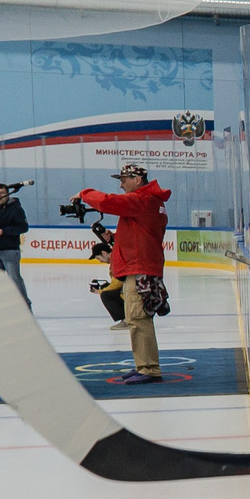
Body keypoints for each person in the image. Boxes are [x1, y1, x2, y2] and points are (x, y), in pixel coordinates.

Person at [75, 164, 172, 385]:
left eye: (124, 179)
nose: (120, 184)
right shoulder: (149, 203)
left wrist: (84, 193)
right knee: (136, 318)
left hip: (139, 269)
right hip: (139, 267)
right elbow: (140, 235)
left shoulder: (142, 200)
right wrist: (116, 239)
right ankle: (144, 365)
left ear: (137, 179)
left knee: (138, 318)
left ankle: (149, 368)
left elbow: (107, 201)